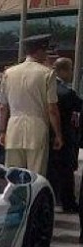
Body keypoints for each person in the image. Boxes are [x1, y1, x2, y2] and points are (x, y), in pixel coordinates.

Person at [0, 34, 62, 176]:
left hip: (13, 127)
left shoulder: (8, 73)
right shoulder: (47, 73)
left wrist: (2, 131)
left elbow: (3, 107)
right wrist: (58, 134)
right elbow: (52, 109)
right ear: (40, 51)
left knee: (13, 175)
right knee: (36, 175)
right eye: (45, 50)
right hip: (37, 127)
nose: (46, 54)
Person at [45, 57, 82, 213]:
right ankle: (68, 202)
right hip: (63, 135)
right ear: (63, 70)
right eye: (70, 69)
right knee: (66, 171)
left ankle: (54, 198)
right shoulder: (66, 93)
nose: (72, 72)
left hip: (46, 135)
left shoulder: (46, 87)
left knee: (50, 169)